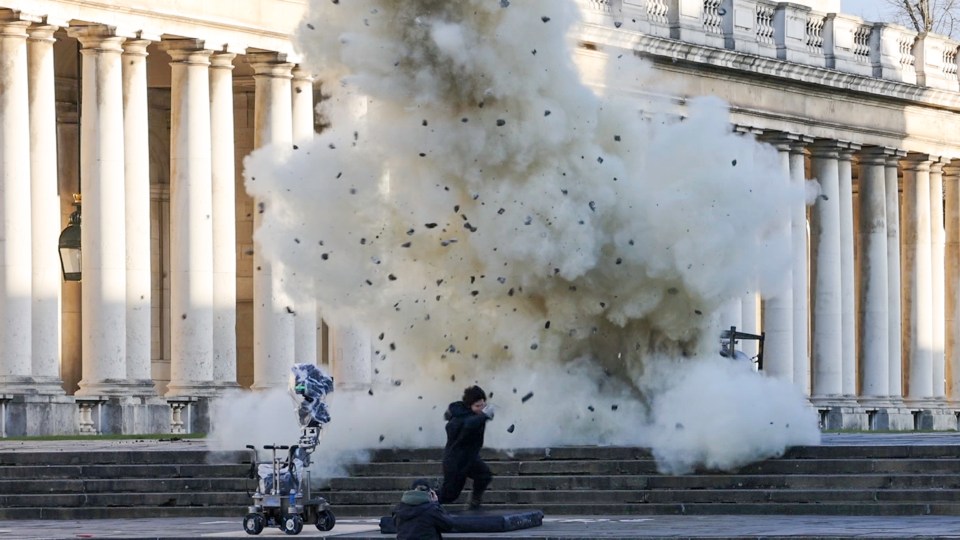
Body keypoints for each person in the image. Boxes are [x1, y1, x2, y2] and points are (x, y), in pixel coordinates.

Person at [438, 385, 495, 509]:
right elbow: (468, 425)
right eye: (478, 406)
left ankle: (474, 504)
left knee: (484, 475)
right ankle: (423, 505)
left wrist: (483, 415)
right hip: (455, 461)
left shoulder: (474, 416)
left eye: (483, 405)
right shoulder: (459, 418)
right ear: (469, 406)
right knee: (449, 495)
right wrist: (484, 416)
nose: (481, 409)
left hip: (470, 458)